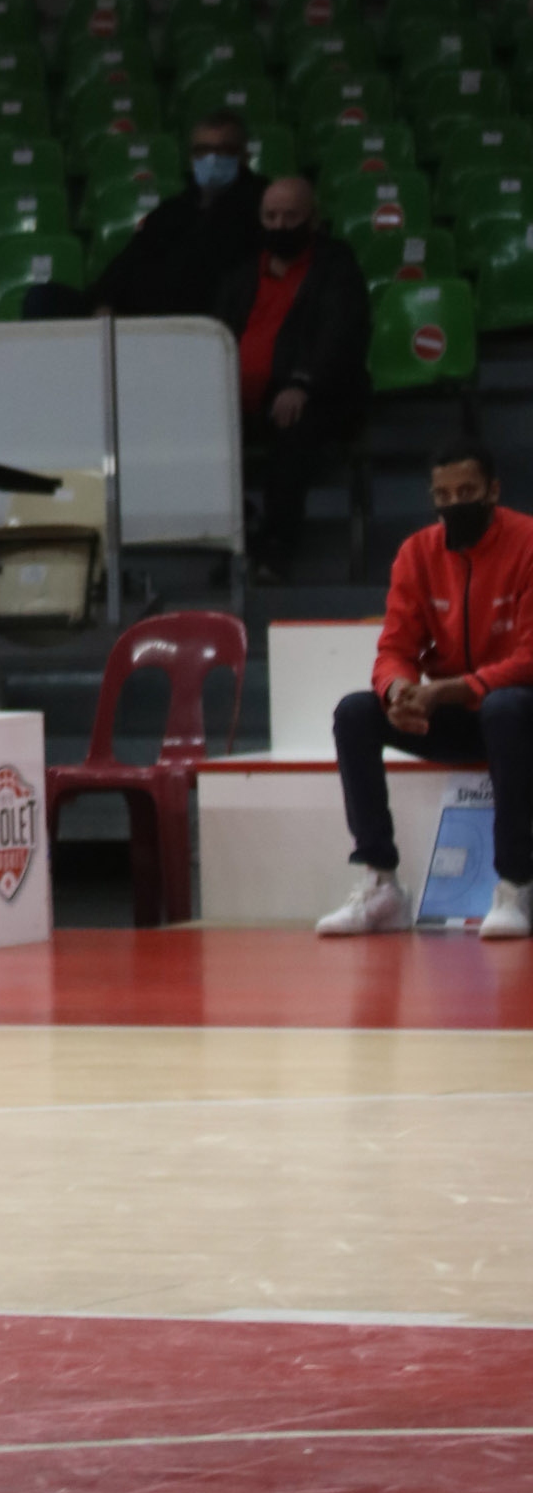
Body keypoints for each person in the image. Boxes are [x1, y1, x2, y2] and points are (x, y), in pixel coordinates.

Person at [318, 443, 533, 941]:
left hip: (517, 711)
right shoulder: (418, 552)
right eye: (442, 494)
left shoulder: (526, 543)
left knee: (503, 707)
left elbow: (528, 658)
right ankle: (381, 883)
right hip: (457, 711)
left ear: (493, 492)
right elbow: (394, 647)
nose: (454, 503)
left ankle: (516, 883)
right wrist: (399, 691)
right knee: (355, 712)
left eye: (467, 492)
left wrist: (455, 689)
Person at [214, 176, 370, 583]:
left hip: (315, 395)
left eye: (291, 216)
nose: (280, 226)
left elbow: (340, 333)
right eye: (271, 216)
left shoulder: (336, 266)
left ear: (313, 219)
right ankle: (229, 536)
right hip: (238, 399)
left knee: (293, 423)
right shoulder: (242, 273)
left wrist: (302, 383)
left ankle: (278, 545)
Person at [86, 111, 267, 319]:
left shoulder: (262, 204)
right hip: (148, 321)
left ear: (244, 156)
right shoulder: (172, 209)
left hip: (208, 320)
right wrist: (105, 301)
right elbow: (128, 260)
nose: (212, 158)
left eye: (224, 150)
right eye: (202, 150)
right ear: (191, 158)